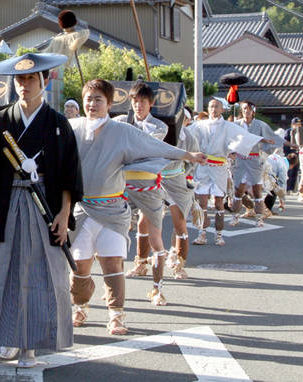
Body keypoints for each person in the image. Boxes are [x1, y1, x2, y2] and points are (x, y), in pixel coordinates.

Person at [0, 52, 81, 369]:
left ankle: (30, 344)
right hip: (4, 204)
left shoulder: (58, 124)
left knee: (40, 275)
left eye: (30, 78)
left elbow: (70, 172)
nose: (24, 85)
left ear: (44, 81)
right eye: (19, 79)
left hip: (44, 204)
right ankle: (8, 335)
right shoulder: (0, 121)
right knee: (4, 271)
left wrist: (63, 212)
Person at [68, 79, 204, 335]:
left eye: (98, 99)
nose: (92, 104)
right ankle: (80, 305)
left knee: (112, 263)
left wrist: (187, 156)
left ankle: (116, 314)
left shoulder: (123, 131)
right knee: (80, 265)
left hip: (113, 209)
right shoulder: (72, 127)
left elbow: (155, 146)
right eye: (88, 99)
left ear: (109, 104)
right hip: (82, 209)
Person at [112, 82, 172, 305]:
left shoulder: (159, 126)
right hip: (123, 185)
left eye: (143, 102)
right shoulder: (119, 122)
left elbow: (142, 147)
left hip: (148, 185)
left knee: (156, 239)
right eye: (135, 101)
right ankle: (114, 289)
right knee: (115, 236)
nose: (138, 106)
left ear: (151, 104)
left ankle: (157, 290)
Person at [189, 98, 262, 247]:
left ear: (222, 109)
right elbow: (185, 133)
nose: (213, 109)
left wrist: (261, 140)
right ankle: (201, 234)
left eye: (216, 107)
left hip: (219, 168)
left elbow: (243, 137)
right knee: (201, 202)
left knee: (218, 203)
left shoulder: (229, 126)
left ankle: (218, 235)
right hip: (203, 167)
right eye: (210, 106)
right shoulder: (199, 125)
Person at [229, 101, 279, 228]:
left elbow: (270, 140)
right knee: (238, 191)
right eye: (244, 108)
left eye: (249, 109)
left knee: (257, 191)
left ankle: (259, 218)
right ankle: (235, 216)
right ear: (241, 110)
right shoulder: (236, 125)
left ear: (253, 111)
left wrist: (265, 148)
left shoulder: (260, 125)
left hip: (254, 159)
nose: (247, 111)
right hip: (240, 160)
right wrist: (231, 152)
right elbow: (230, 140)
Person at [163, 109, 200, 279]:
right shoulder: (160, 130)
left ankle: (176, 256)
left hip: (177, 180)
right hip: (154, 180)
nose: (180, 121)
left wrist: (184, 175)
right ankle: (142, 260)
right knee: (145, 219)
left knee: (180, 221)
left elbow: (193, 160)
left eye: (184, 118)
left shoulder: (189, 137)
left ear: (187, 121)